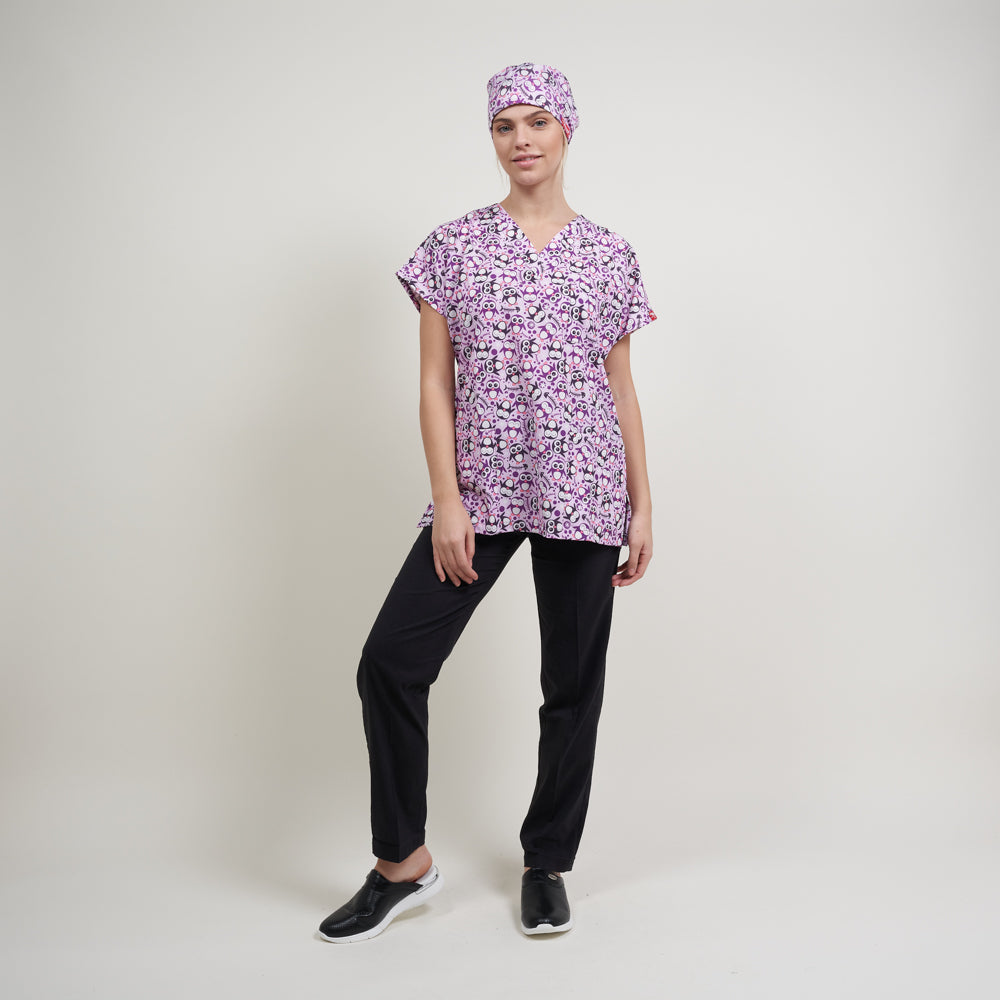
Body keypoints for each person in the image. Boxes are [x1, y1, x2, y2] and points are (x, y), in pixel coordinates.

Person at [317, 61, 657, 943]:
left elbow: (620, 388)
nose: (521, 138)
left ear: (567, 131)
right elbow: (434, 382)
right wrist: (448, 500)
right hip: (484, 486)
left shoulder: (610, 254)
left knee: (571, 684)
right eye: (505, 124)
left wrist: (643, 503)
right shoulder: (453, 247)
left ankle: (547, 863)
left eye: (538, 121)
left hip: (586, 485)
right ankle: (403, 864)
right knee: (390, 662)